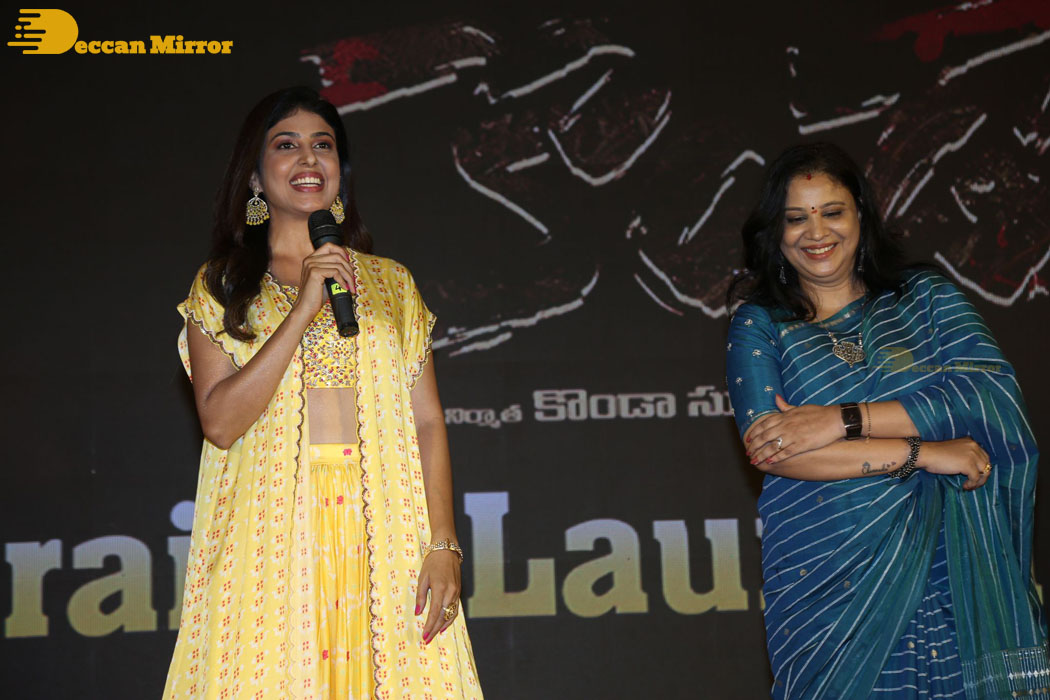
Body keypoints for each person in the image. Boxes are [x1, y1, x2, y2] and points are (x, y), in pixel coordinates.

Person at [164, 87, 483, 699]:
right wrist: (302, 308)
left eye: (323, 145)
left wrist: (444, 544)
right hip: (272, 532)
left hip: (385, 524)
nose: (309, 159)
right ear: (255, 177)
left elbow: (427, 422)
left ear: (340, 169)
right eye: (287, 145)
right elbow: (220, 423)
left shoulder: (392, 285)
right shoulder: (223, 286)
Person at [725, 142, 1049, 698]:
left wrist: (840, 421)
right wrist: (923, 453)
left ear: (861, 215)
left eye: (832, 211)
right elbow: (771, 450)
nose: (815, 232)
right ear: (775, 231)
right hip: (828, 580)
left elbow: (989, 393)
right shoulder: (761, 326)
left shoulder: (925, 299)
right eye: (796, 218)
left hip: (950, 564)